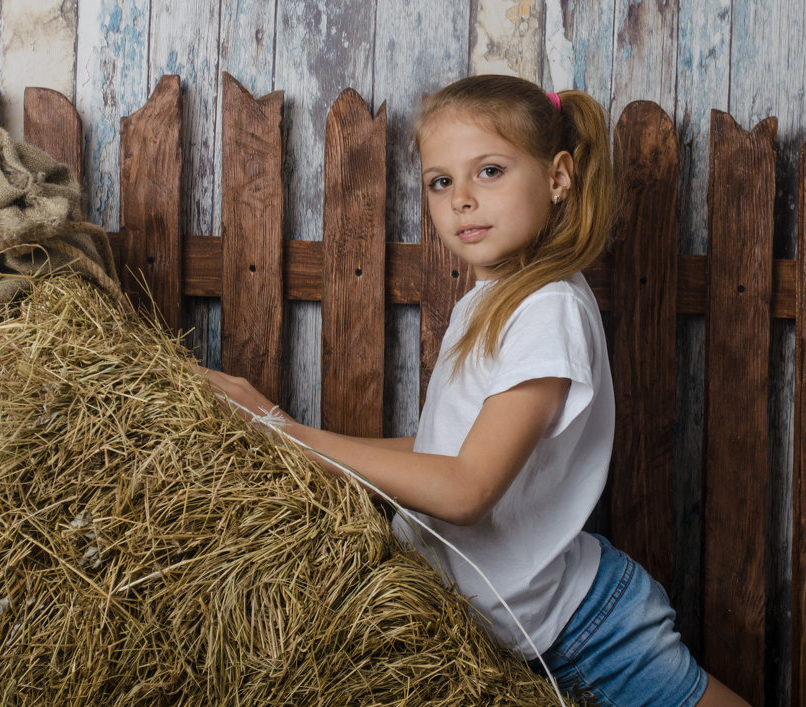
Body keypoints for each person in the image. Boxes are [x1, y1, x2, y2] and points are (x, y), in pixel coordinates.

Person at [199, 74, 748, 707]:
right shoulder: (493, 301)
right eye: (441, 181)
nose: (461, 199)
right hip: (520, 624)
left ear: (558, 177)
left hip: (584, 632)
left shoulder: (547, 312)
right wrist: (290, 434)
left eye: (489, 171)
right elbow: (444, 450)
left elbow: (466, 490)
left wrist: (282, 429)